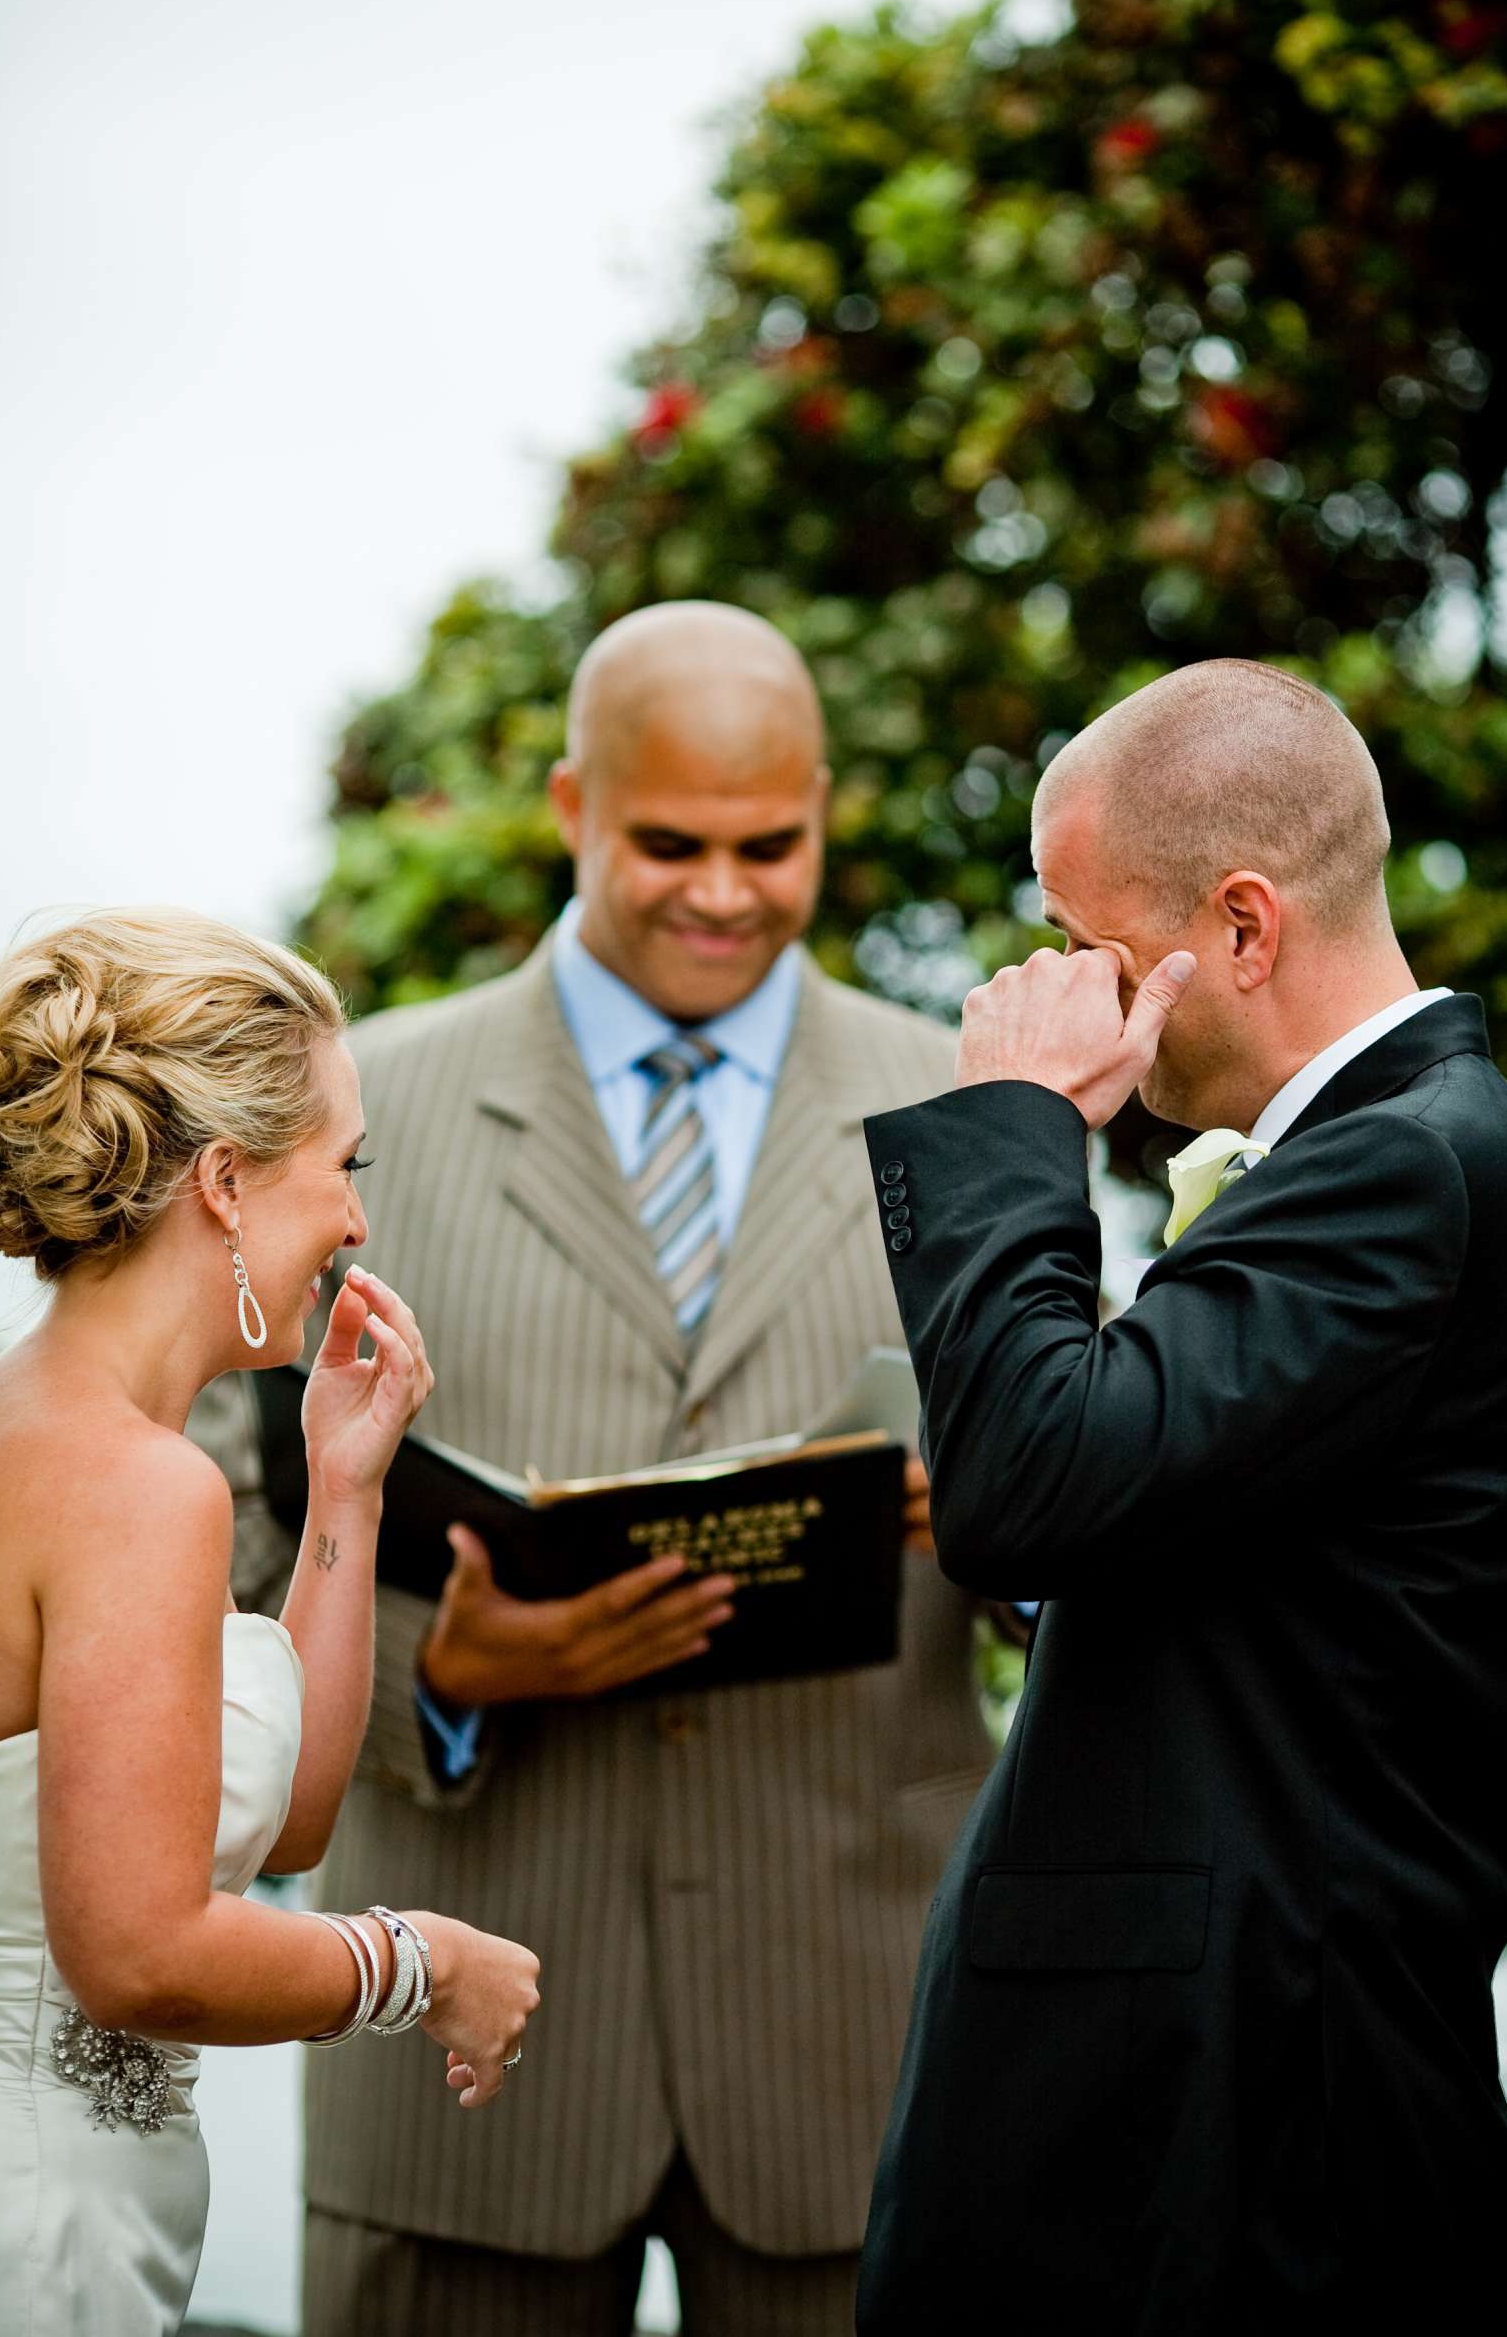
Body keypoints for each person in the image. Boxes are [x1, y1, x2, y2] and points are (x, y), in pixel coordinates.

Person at [196, 599, 992, 2335]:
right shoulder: (361, 1111)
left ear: (827, 811)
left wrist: (1003, 1507)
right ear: (570, 805)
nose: (723, 890)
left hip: (850, 2053)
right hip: (458, 2062)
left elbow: (1107, 1520)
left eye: (769, 844)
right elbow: (208, 1526)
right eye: (668, 843)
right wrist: (439, 1678)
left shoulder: (968, 1111)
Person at [855, 657, 1507, 2332]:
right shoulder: (1399, 1156)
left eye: (1093, 946)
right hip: (1200, 2090)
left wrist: (1013, 1122)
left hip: (1232, 2121)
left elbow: (1028, 1484)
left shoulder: (1410, 1163)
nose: (1059, 983)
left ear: (1243, 928)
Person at [0, 908, 541, 2337]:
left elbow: (278, 1825)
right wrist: (423, 1959)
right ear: (226, 1181)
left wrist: (347, 1488)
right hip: (40, 2221)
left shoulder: (49, 1432)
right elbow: (141, 1954)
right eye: (341, 1166)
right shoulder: (136, 1488)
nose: (357, 1218)